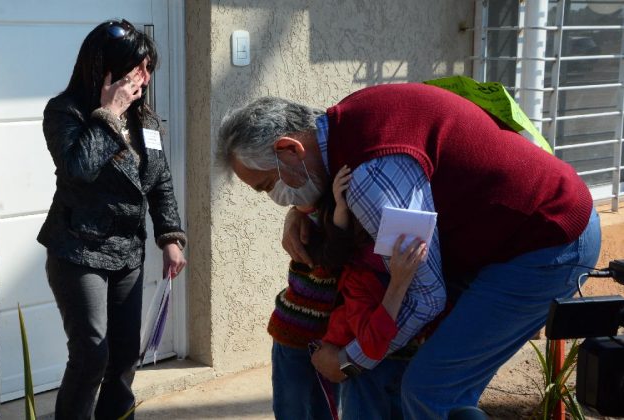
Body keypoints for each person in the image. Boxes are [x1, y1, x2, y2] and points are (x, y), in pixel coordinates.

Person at [216, 82, 601, 418]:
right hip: (514, 232)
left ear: (289, 149)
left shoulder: (371, 180)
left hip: (548, 242)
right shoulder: (344, 123)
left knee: (432, 391)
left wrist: (349, 361)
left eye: (267, 186)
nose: (277, 200)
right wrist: (304, 211)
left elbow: (426, 295)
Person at [37, 19, 187, 420]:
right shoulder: (65, 112)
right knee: (91, 354)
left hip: (127, 255)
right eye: (135, 69)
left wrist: (170, 236)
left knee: (122, 358)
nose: (143, 79)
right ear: (104, 68)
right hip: (78, 250)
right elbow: (78, 168)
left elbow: (160, 182)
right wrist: (109, 114)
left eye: (148, 69)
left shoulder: (147, 121)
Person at [313, 165, 429, 420]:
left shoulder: (421, 270)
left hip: (396, 369)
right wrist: (398, 283)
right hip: (364, 378)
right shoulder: (360, 278)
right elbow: (371, 346)